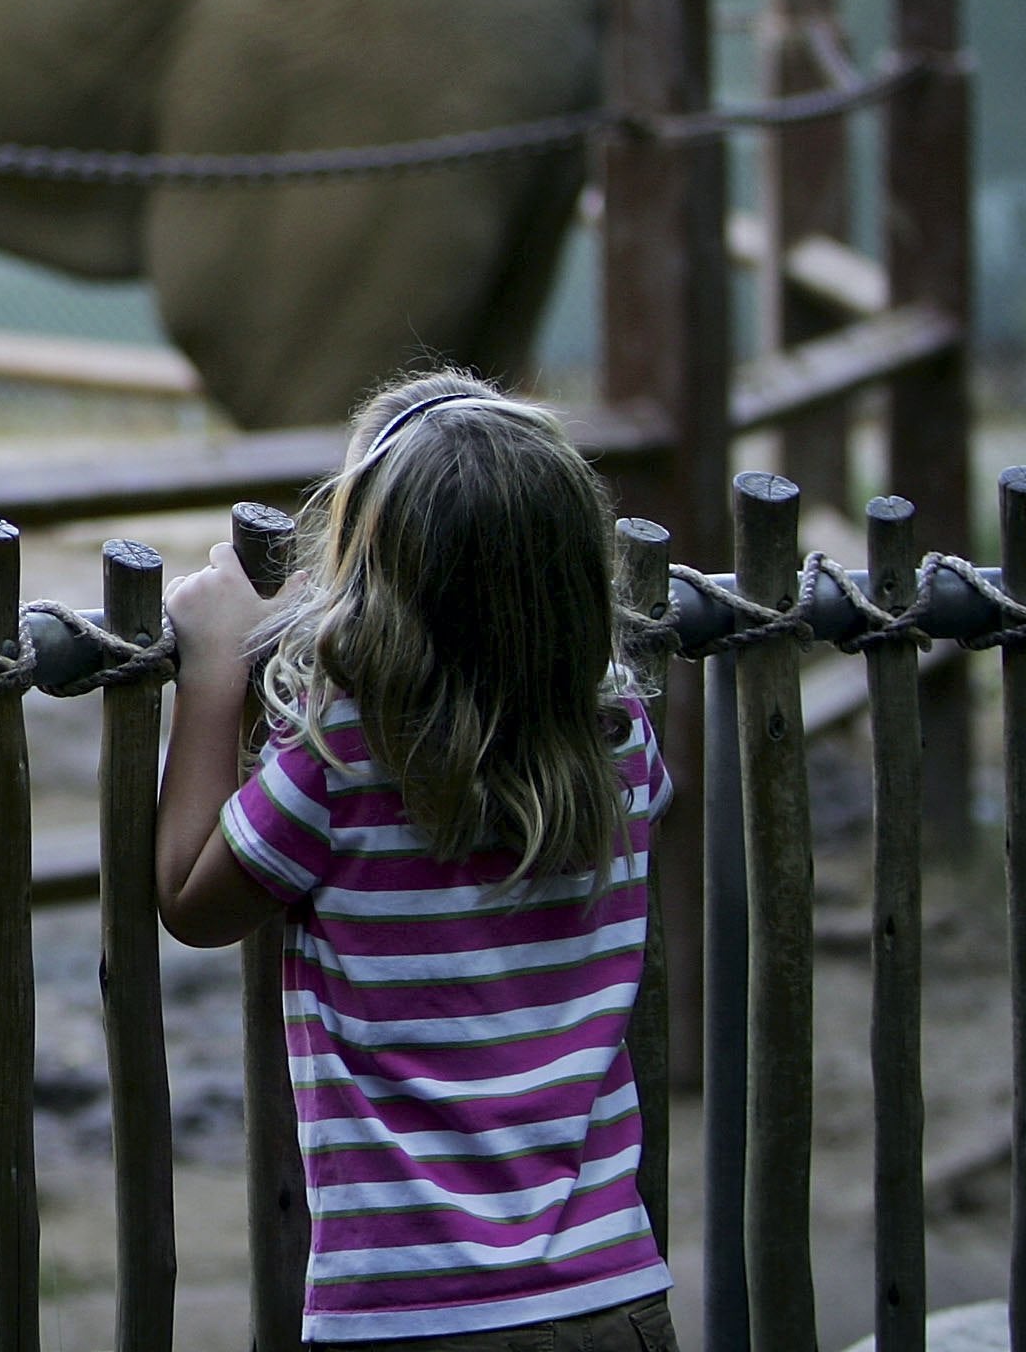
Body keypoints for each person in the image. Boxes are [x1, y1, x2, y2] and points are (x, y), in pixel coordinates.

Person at [155, 370, 675, 1350]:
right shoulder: (620, 741)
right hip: (611, 1296)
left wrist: (216, 666)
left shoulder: (347, 759)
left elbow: (190, 895)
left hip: (410, 1314)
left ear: (375, 579)